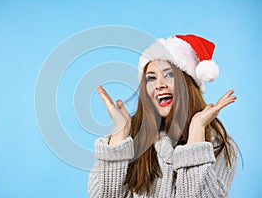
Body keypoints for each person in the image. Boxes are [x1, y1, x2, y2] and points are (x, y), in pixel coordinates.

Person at [88, 34, 238, 197]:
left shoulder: (220, 145)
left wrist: (196, 132)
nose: (159, 85)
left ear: (188, 83)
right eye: (151, 78)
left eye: (169, 75)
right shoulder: (130, 138)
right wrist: (120, 132)